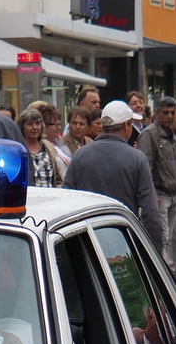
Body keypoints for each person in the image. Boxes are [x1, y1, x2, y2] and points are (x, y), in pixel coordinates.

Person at [64, 101, 165, 251]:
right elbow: (150, 211)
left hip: (86, 242)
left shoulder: (80, 156)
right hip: (123, 241)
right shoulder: (136, 158)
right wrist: (155, 249)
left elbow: (66, 199)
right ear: (126, 125)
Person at [136, 97, 176, 280]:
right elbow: (144, 166)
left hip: (174, 193)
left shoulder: (172, 135)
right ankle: (161, 279)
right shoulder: (149, 134)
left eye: (172, 113)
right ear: (157, 113)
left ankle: (174, 275)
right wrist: (149, 194)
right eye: (165, 113)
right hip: (159, 193)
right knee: (161, 238)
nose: (169, 116)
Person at [17, 106, 62, 188]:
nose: (35, 128)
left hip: (49, 198)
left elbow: (57, 178)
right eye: (30, 124)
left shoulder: (48, 147)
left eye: (37, 124)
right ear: (22, 128)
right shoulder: (19, 149)